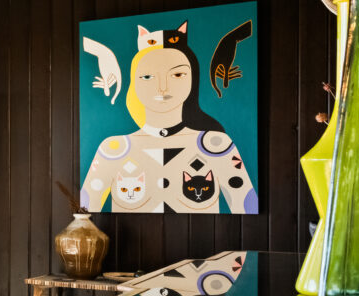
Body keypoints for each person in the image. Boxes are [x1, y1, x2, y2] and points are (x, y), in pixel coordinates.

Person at [81, 22, 254, 214]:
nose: (162, 87)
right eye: (147, 77)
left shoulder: (216, 146)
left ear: (192, 80)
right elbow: (82, 213)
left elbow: (247, 204)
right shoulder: (113, 150)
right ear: (134, 84)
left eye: (177, 74)